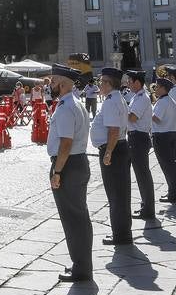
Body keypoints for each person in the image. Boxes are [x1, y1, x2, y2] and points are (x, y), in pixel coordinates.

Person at [46, 64, 93, 282]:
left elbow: (65, 143)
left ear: (63, 83)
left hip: (68, 165)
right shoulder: (76, 104)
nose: (50, 84)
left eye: (53, 81)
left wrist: (57, 171)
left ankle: (81, 268)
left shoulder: (65, 107)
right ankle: (82, 265)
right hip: (77, 162)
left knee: (73, 218)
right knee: (79, 217)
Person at [91, 66, 132, 245]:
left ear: (109, 84)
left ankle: (120, 235)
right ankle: (122, 232)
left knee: (116, 195)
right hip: (119, 148)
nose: (99, 84)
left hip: (113, 150)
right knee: (120, 194)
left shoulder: (110, 101)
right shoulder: (117, 98)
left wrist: (108, 152)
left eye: (101, 81)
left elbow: (113, 130)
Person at [123, 70, 155, 222]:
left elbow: (133, 117)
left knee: (142, 175)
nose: (128, 84)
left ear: (137, 82)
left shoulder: (142, 98)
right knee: (142, 175)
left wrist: (121, 112)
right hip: (136, 137)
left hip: (139, 138)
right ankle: (146, 206)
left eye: (130, 81)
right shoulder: (137, 96)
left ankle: (148, 209)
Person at [149, 75, 176, 205]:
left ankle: (173, 194)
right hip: (169, 134)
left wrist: (148, 112)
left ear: (163, 88)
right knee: (170, 165)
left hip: (162, 136)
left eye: (157, 87)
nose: (155, 89)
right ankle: (173, 192)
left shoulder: (163, 102)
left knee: (167, 166)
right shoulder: (169, 100)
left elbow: (157, 118)